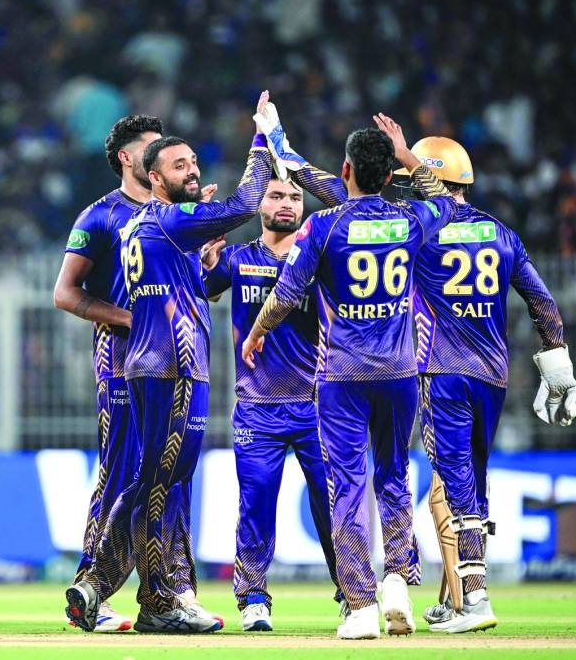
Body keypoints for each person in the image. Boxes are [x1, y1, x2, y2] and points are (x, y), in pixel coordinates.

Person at [242, 114, 459, 639]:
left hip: (341, 375)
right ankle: (399, 580)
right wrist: (407, 154)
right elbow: (448, 203)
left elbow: (287, 294)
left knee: (347, 483)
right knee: (394, 475)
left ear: (345, 170)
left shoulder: (322, 225)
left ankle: (361, 606)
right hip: (399, 372)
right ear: (387, 176)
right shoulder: (409, 220)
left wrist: (257, 331)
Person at [65, 91, 274, 634]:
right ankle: (125, 589)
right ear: (145, 170)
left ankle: (137, 588)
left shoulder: (154, 220)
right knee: (145, 478)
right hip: (156, 361)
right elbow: (244, 203)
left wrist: (203, 252)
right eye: (176, 162)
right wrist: (264, 138)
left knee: (159, 478)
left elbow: (191, 287)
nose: (190, 169)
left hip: (152, 359)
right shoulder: (141, 217)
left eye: (190, 160)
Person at [391, 135, 576, 633]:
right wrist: (557, 363)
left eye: (413, 181)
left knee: (456, 488)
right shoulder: (502, 233)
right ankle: (455, 599)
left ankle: (474, 599)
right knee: (473, 481)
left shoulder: (420, 228)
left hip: (442, 370)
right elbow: (542, 303)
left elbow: (352, 212)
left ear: (429, 181)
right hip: (492, 375)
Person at [54, 114, 198, 632]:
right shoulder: (100, 216)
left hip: (176, 360)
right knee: (119, 473)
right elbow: (64, 293)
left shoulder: (177, 215)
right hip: (120, 359)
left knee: (172, 476)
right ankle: (92, 588)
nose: (163, 155)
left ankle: (173, 590)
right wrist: (131, 319)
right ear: (127, 158)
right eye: (153, 148)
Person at [202, 176, 344, 632]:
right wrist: (206, 261)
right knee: (256, 503)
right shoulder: (239, 258)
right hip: (257, 408)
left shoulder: (319, 259)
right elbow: (206, 288)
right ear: (259, 206)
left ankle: (353, 594)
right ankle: (253, 599)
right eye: (276, 195)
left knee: (333, 505)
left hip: (316, 405)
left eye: (295, 197)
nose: (287, 203)